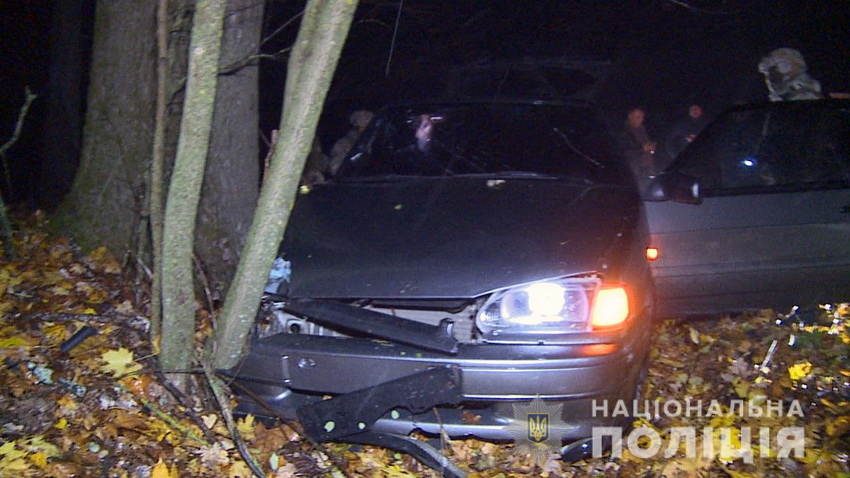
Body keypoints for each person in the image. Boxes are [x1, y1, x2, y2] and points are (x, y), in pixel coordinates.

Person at [328, 109, 374, 176]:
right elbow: (336, 169)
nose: (367, 132)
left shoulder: (380, 144)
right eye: (363, 128)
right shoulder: (343, 145)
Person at [618, 107, 658, 182]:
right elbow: (625, 153)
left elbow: (648, 144)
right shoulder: (624, 132)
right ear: (630, 116)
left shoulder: (642, 129)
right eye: (638, 117)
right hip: (634, 171)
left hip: (647, 167)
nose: (641, 120)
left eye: (642, 117)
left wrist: (651, 147)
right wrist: (642, 149)